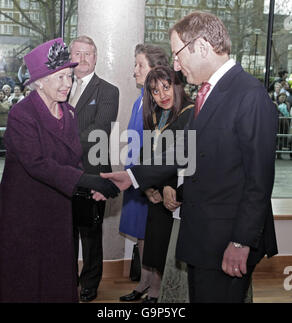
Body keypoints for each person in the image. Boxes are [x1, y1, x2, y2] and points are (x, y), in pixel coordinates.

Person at [99, 11, 278, 303]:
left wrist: (241, 242)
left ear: (203, 47)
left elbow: (259, 181)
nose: (176, 65)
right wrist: (132, 176)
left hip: (226, 240)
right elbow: (185, 147)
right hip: (203, 236)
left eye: (178, 54)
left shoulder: (250, 95)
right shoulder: (210, 92)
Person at [0, 38, 119, 303]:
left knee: (58, 278)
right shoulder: (21, 115)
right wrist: (86, 181)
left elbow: (73, 159)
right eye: (60, 78)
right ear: (39, 82)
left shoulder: (69, 113)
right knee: (27, 282)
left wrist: (90, 188)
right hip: (25, 215)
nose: (67, 84)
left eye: (69, 77)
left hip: (58, 211)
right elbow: (37, 163)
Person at [69, 35, 119, 303]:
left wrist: (60, 143)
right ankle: (66, 281)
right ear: (70, 57)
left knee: (89, 235)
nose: (84, 58)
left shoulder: (108, 90)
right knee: (66, 233)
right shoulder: (62, 86)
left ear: (96, 57)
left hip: (92, 174)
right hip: (62, 175)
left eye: (89, 54)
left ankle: (89, 284)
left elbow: (98, 131)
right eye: (79, 53)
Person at [119, 44, 170, 302]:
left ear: (155, 70)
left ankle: (157, 289)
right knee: (140, 233)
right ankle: (144, 283)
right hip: (135, 179)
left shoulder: (163, 103)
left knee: (153, 237)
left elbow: (161, 150)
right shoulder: (140, 99)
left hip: (150, 182)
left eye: (140, 65)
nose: (135, 70)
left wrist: (148, 183)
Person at [140, 66, 194, 303]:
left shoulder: (191, 113)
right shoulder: (155, 117)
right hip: (157, 195)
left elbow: (188, 158)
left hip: (178, 198)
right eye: (155, 91)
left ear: (177, 85)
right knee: (160, 255)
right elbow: (147, 154)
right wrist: (148, 187)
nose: (162, 94)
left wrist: (168, 186)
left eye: (166, 86)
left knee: (177, 261)